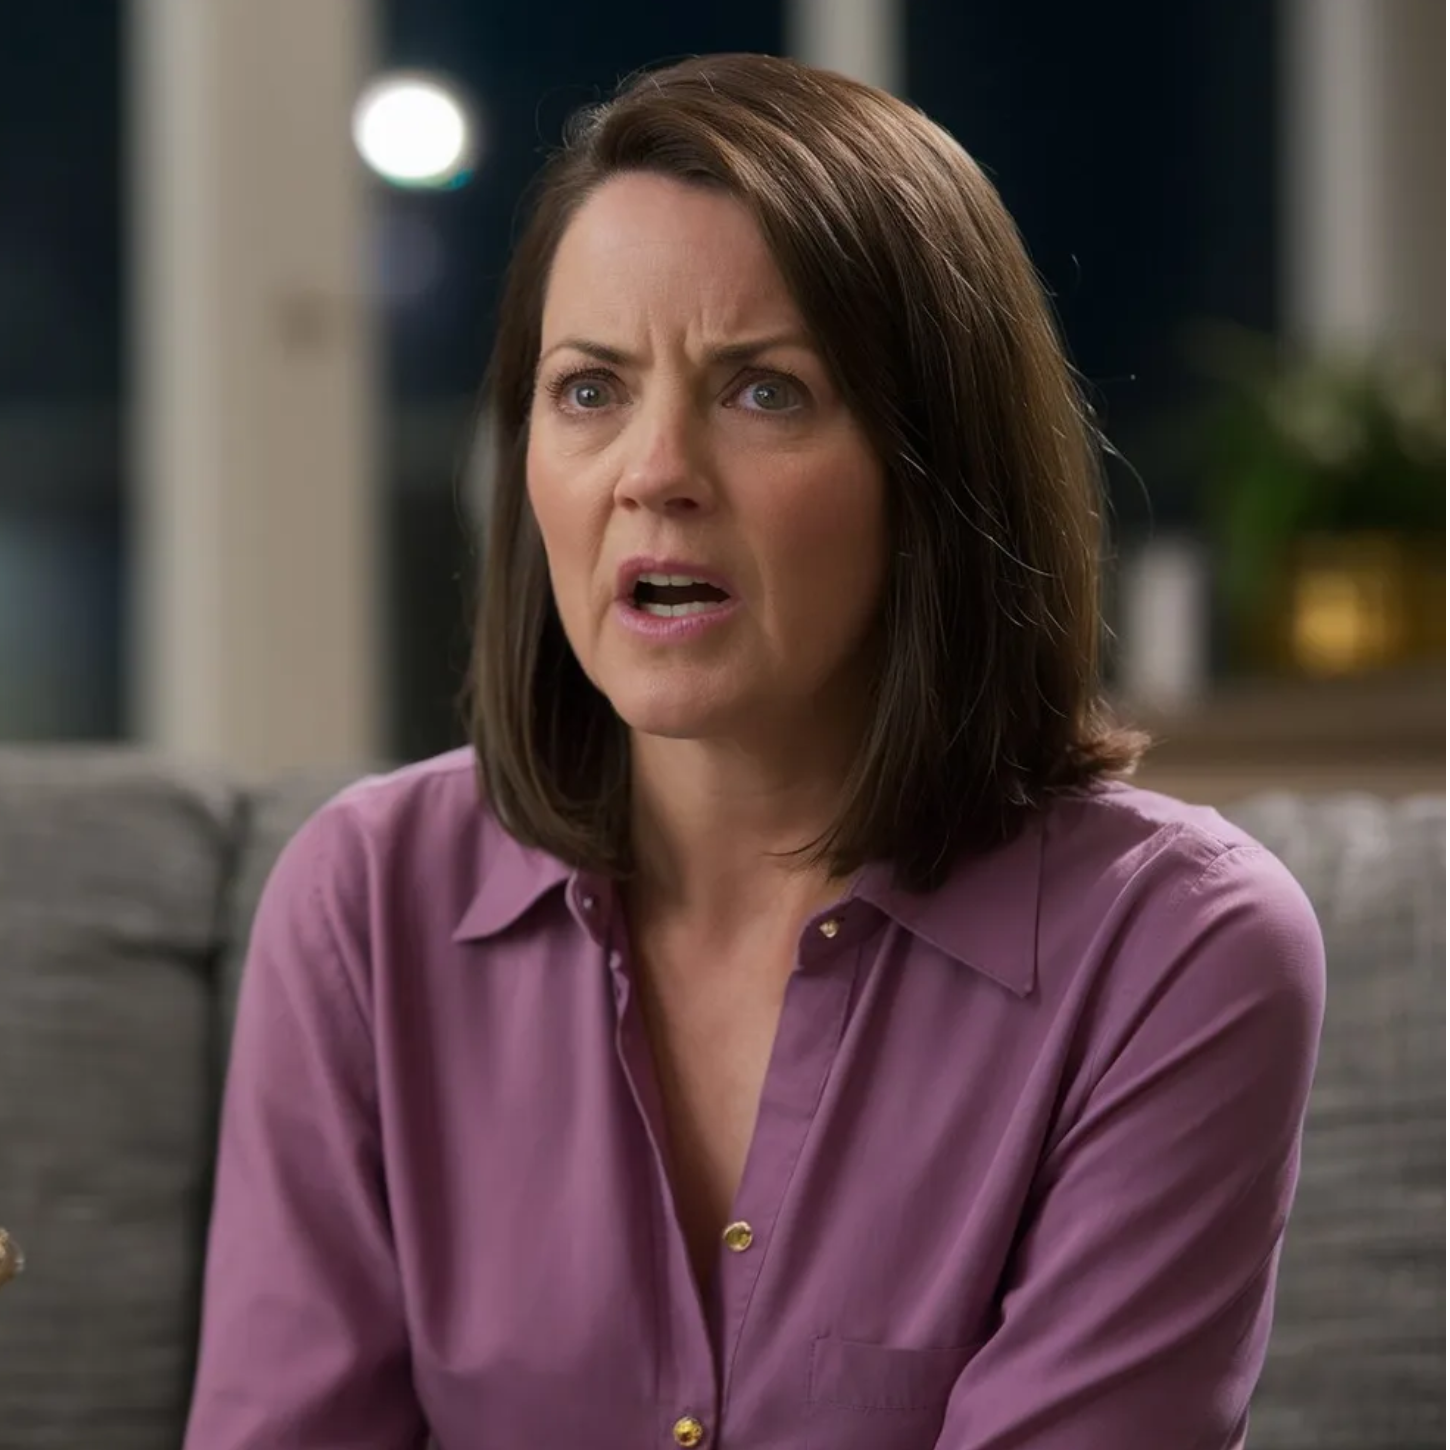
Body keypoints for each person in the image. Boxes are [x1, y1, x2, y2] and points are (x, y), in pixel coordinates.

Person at [182, 53, 1324, 1450]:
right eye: (588, 389)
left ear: (937, 472)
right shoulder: (364, 905)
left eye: (764, 392)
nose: (653, 471)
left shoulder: (1179, 953)